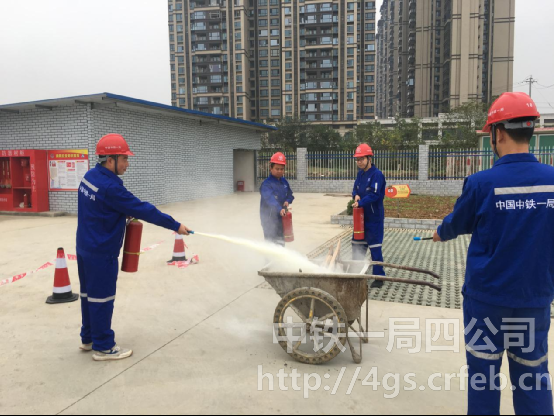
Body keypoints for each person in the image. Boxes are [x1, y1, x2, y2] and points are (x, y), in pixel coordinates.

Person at [433, 92, 554, 415]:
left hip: (486, 301)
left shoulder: (481, 183)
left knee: (483, 378)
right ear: (530, 131)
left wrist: (440, 232)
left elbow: (456, 223)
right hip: (534, 300)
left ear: (497, 133)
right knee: (533, 377)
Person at [77, 133, 192, 362]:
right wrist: (175, 225)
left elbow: (99, 207)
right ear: (110, 160)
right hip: (101, 251)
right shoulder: (111, 188)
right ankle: (103, 347)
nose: (127, 164)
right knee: (102, 298)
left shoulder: (90, 176)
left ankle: (88, 338)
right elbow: (144, 210)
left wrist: (117, 213)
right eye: (124, 159)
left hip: (84, 246)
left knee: (88, 296)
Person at [351, 144, 387, 288]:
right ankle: (357, 274)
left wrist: (361, 202)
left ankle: (379, 277)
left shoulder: (377, 175)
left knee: (374, 247)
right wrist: (356, 195)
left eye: (362, 159)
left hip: (373, 218)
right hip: (361, 218)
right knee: (357, 245)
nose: (359, 162)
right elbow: (355, 189)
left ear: (369, 158)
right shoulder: (360, 174)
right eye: (357, 159)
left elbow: (375, 194)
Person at [260, 152, 294, 246]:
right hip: (269, 219)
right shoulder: (266, 184)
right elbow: (270, 199)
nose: (279, 171)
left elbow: (290, 195)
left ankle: (280, 255)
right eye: (277, 169)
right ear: (271, 168)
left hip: (281, 218)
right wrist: (279, 209)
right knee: (271, 244)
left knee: (281, 242)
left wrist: (287, 201)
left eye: (281, 169)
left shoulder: (284, 182)